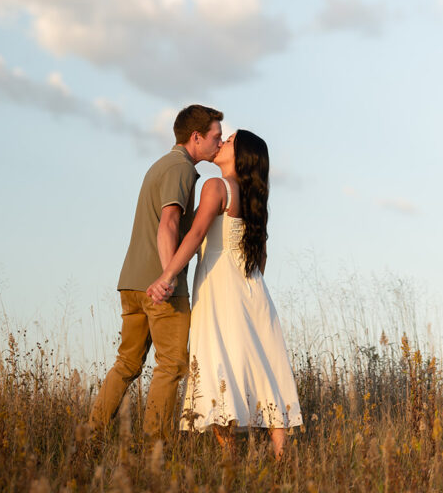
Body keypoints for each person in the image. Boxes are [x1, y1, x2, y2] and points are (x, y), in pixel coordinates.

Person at [147, 129, 302, 458]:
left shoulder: (216, 187)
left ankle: (231, 462)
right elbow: (260, 259)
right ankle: (282, 461)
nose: (222, 143)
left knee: (218, 365)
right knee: (266, 369)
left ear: (241, 155)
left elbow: (198, 231)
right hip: (254, 290)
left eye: (229, 141)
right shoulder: (255, 202)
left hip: (220, 290)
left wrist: (168, 274)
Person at [88, 104, 223, 439]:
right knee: (172, 366)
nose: (219, 143)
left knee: (128, 364)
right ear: (196, 137)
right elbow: (168, 224)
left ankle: (89, 437)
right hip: (159, 285)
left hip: (132, 282)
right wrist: (168, 277)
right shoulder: (180, 169)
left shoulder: (162, 165)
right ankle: (154, 451)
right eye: (216, 137)